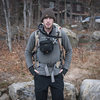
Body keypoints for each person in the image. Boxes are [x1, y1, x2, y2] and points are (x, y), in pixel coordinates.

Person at [25, 8, 72, 100]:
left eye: (50, 18)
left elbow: (69, 50)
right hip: (40, 74)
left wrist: (65, 68)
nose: (48, 21)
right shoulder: (36, 35)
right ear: (42, 21)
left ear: (53, 20)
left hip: (57, 74)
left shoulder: (60, 33)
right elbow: (27, 52)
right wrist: (31, 69)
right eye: (45, 18)